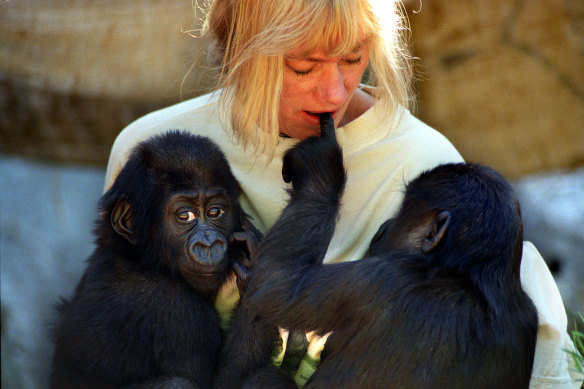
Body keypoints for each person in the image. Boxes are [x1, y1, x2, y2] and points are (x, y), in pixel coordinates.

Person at [104, 0, 582, 387]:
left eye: (354, 59)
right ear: (241, 50)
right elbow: (111, 339)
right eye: (303, 66)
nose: (333, 93)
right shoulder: (153, 154)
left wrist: (318, 194)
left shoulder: (424, 164)